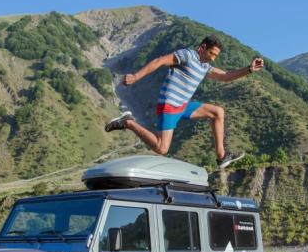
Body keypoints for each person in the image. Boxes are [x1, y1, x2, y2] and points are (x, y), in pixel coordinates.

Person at [105, 35, 264, 168]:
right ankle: (128, 122)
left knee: (217, 112)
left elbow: (226, 76)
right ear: (202, 47)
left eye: (216, 55)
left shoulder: (205, 66)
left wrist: (249, 69)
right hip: (169, 105)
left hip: (182, 106)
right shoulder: (187, 55)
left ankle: (221, 156)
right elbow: (159, 61)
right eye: (211, 53)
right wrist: (136, 76)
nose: (213, 58)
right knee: (162, 148)